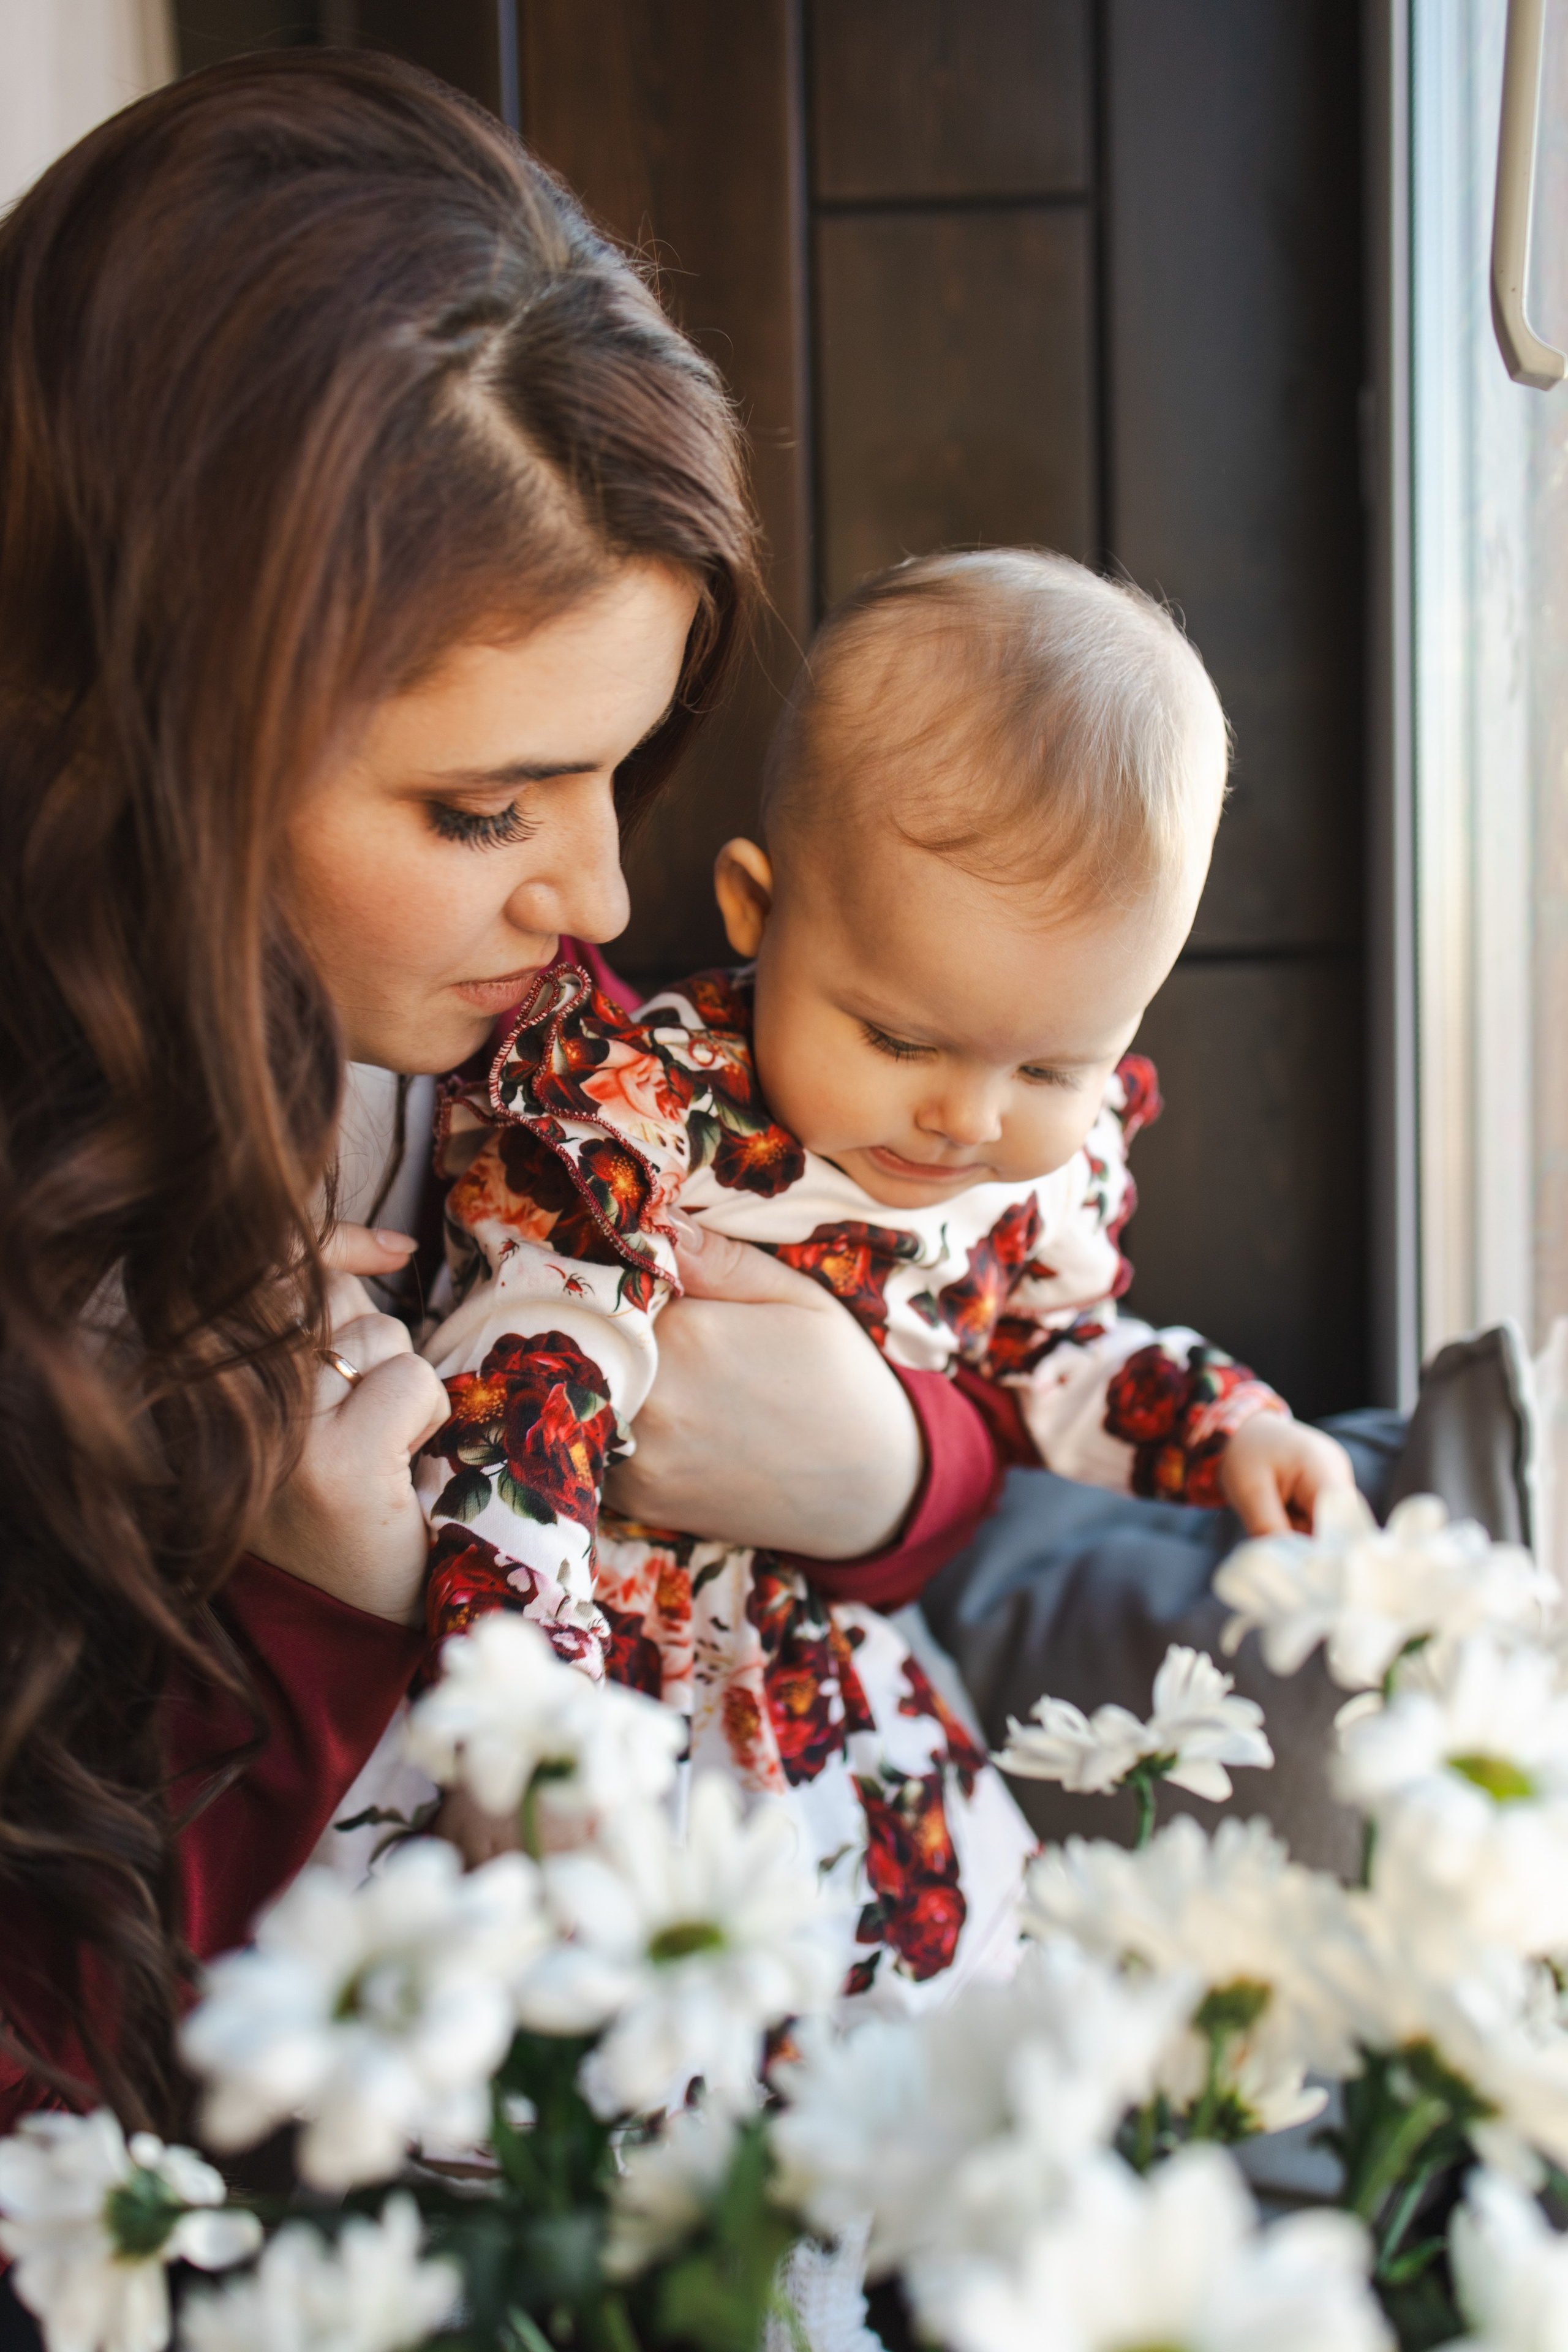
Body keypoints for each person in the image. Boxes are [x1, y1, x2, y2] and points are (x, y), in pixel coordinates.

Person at [0, 47, 957, 2154]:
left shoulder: (530, 1031)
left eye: (621, 767)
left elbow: (898, 1333)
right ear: (135, 743)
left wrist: (887, 1467)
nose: (603, 895)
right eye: (479, 807)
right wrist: (321, 1604)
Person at [409, 549, 1355, 2007]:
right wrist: (522, 1707)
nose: (967, 1121)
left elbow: (1057, 1357)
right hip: (596, 1662)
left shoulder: (1032, 1171)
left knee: (945, 1972)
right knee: (616, 2023)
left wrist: (1228, 1428)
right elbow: (516, 1407)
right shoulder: (650, 1131)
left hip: (832, 1672)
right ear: (756, 910)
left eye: (1050, 1063)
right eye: (902, 1040)